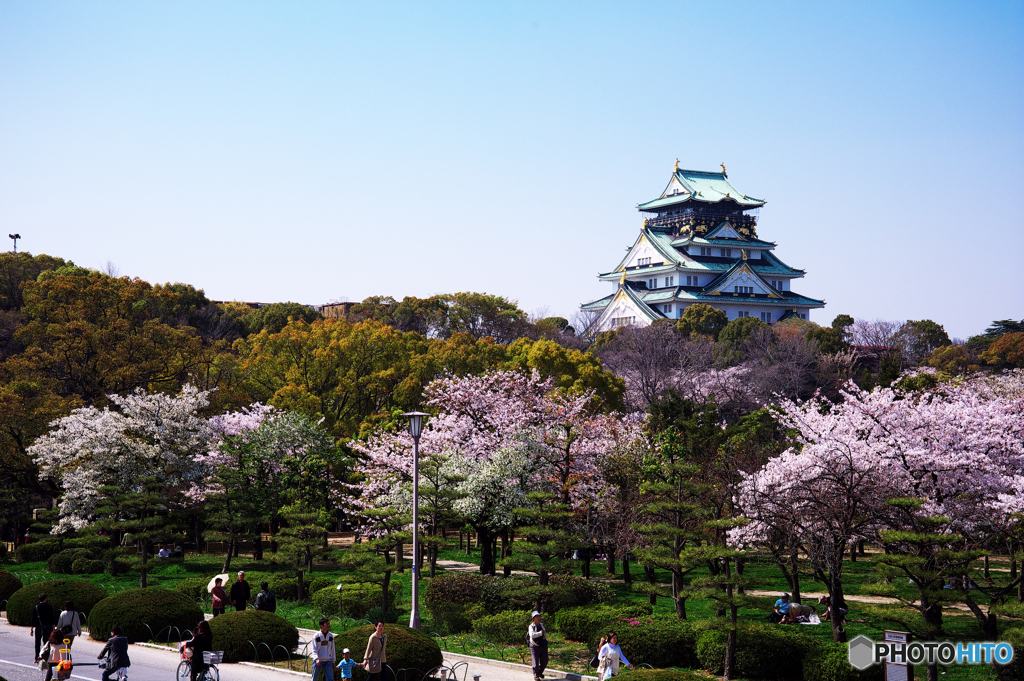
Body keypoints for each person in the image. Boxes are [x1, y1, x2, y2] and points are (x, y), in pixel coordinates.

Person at [30, 592, 55, 660]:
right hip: (48, 627)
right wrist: (53, 626)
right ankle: (46, 657)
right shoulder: (49, 607)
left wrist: (31, 628)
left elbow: (33, 618)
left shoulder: (36, 607)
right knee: (47, 643)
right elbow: (52, 617)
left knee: (37, 643)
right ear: (45, 599)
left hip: (39, 627)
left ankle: (37, 657)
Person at [527, 610, 548, 681]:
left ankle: (539, 672)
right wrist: (540, 633)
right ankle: (536, 676)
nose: (538, 618)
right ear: (533, 618)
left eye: (539, 616)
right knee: (535, 662)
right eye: (536, 617)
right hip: (534, 646)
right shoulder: (531, 626)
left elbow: (544, 634)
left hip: (543, 646)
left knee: (545, 660)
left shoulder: (541, 625)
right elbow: (532, 635)